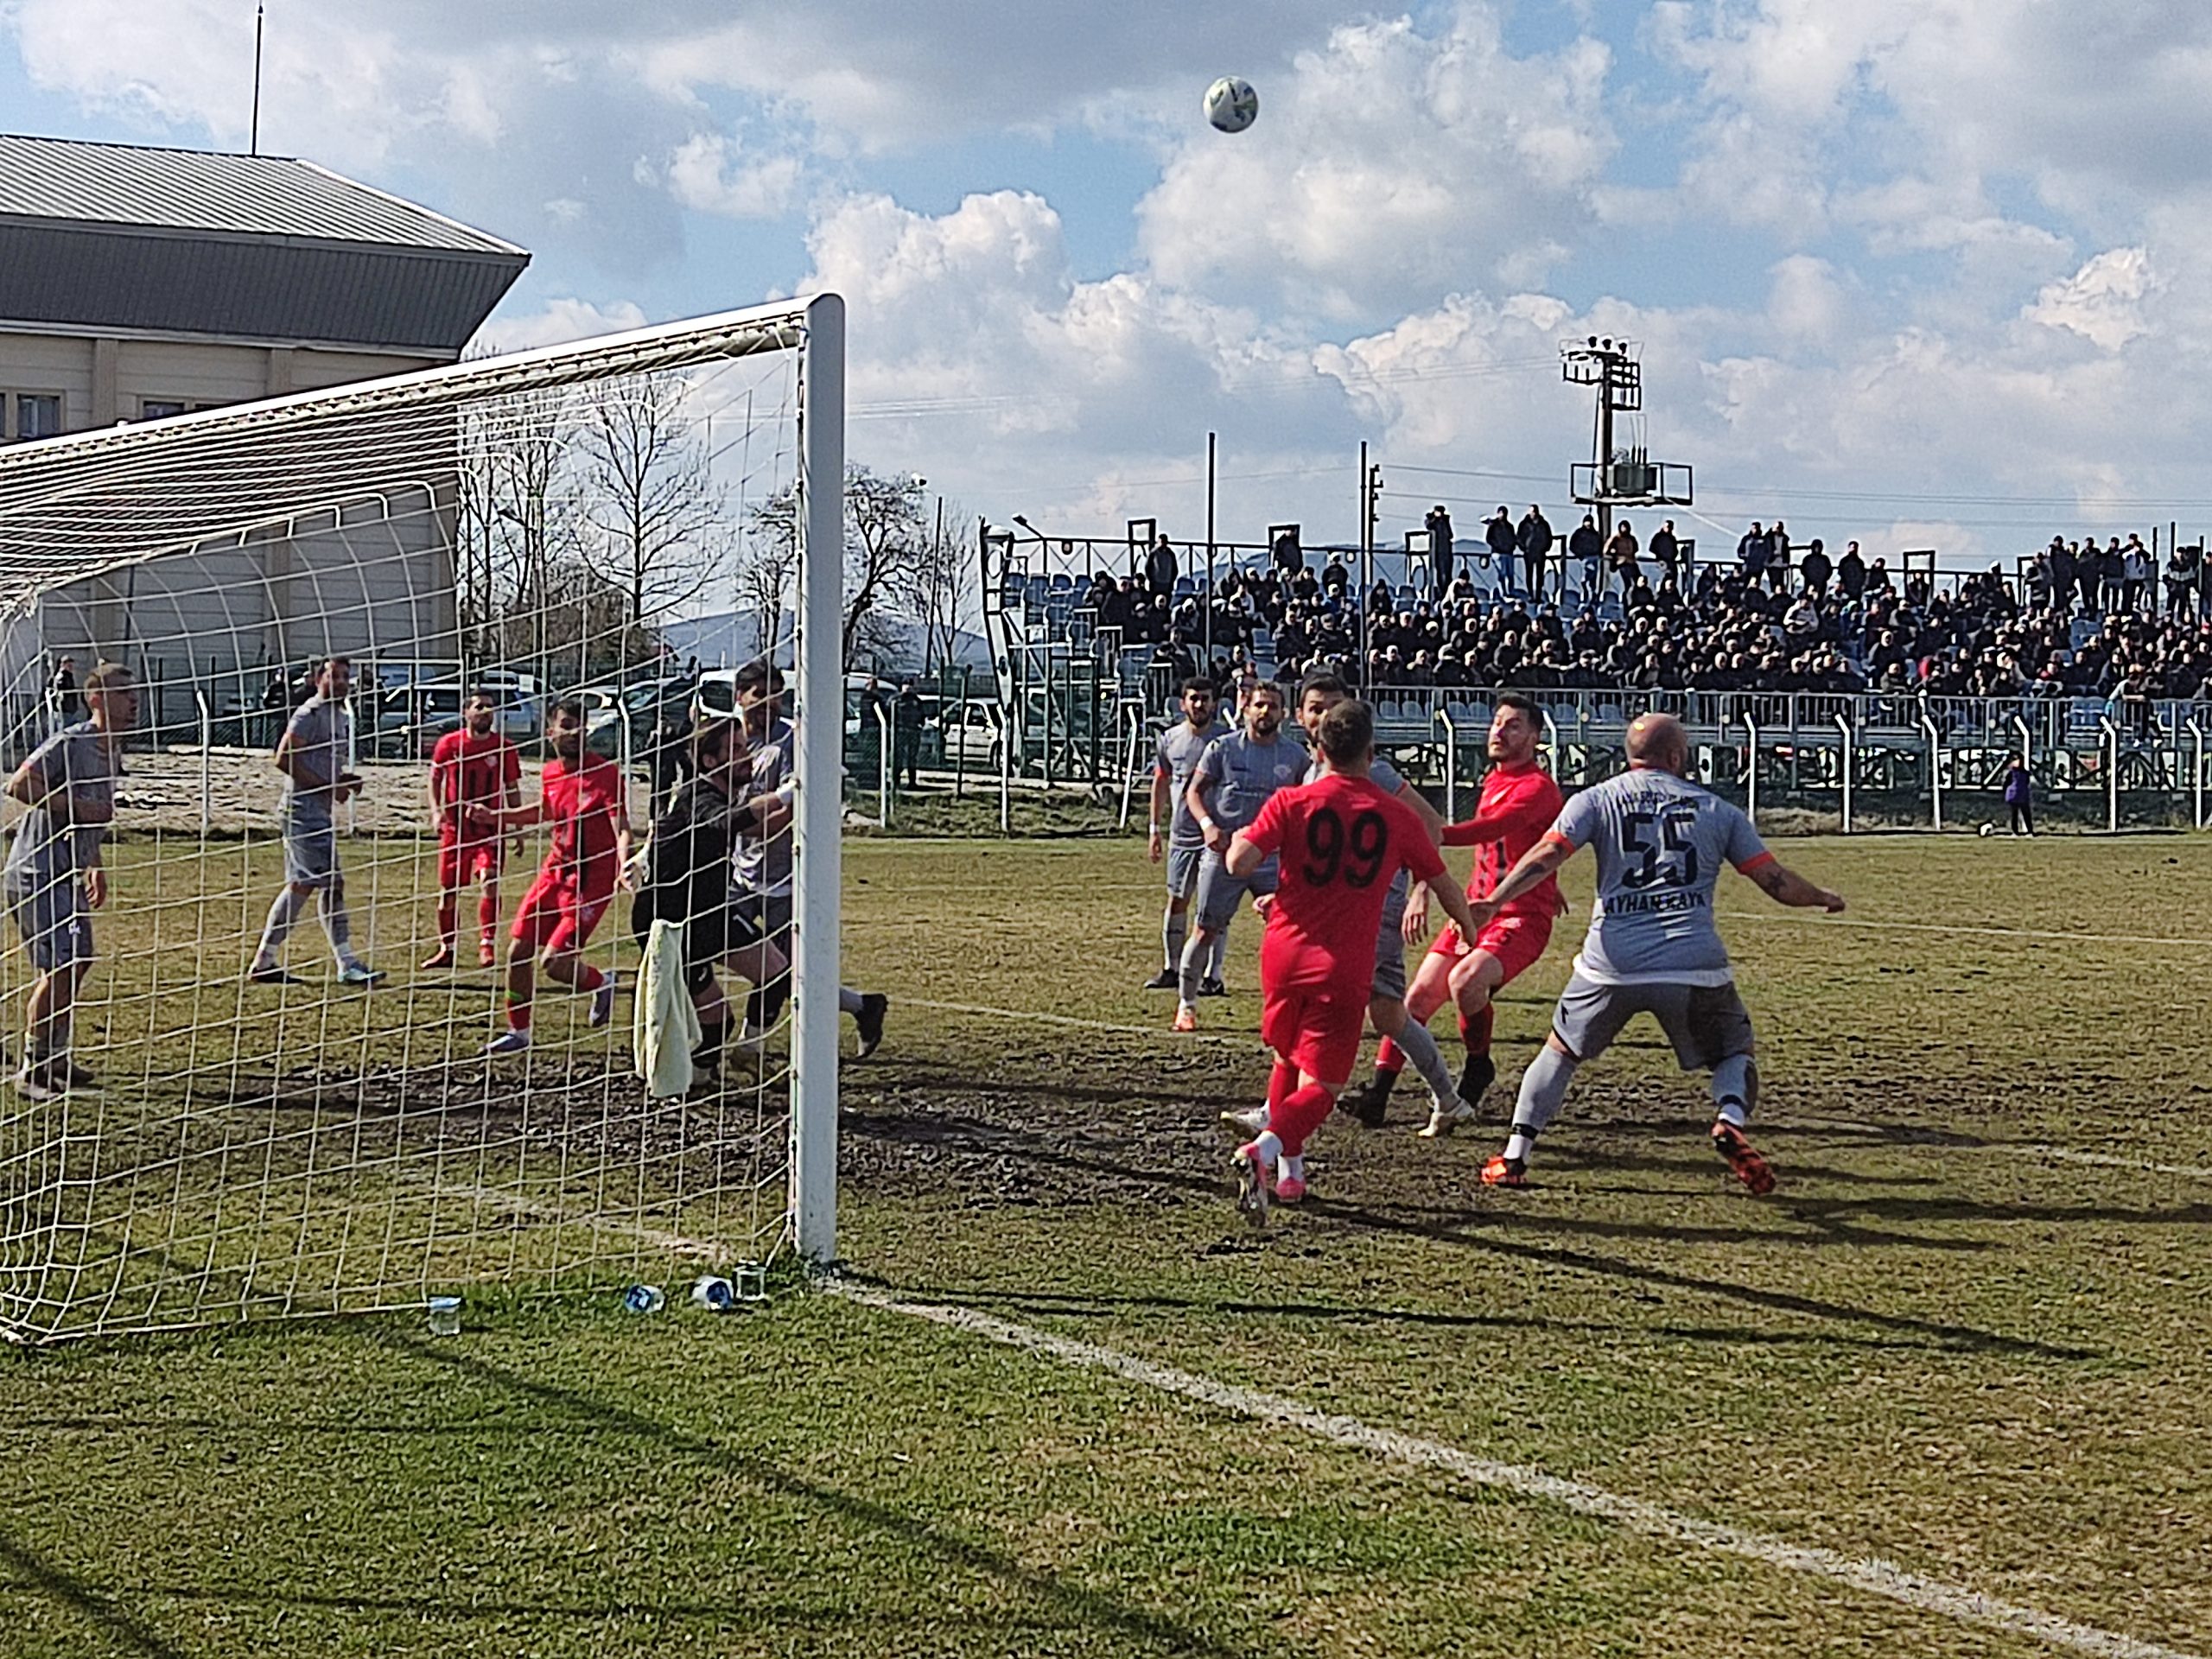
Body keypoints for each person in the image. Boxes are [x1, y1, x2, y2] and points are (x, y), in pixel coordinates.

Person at [1466, 712, 1846, 1192]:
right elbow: (1775, 881)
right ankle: (1729, 1119)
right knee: (1734, 1050)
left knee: (1559, 1052)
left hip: (1611, 962)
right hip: (1693, 963)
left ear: (1630, 755)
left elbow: (1547, 854)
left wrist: (1495, 901)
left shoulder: (1594, 800)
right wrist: (1822, 897)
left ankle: (1514, 1156)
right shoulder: (1717, 809)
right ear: (1677, 757)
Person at [1221, 699, 1483, 1220]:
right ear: (1371, 750)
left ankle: (1291, 1176)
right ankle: (1264, 1152)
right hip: (1340, 964)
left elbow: (1237, 861)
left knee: (1287, 1057)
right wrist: (1468, 928)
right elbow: (1443, 881)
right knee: (1323, 1086)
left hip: (1282, 953)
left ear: (1318, 748)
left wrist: (1240, 840)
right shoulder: (1394, 815)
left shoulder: (1291, 802)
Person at [1344, 693, 1564, 1135]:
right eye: (1496, 723)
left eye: (1513, 725)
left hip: (1518, 916)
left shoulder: (1539, 788)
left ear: (1536, 737)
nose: (1499, 731)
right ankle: (1378, 1094)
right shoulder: (1493, 778)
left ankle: (1478, 1067)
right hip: (1472, 911)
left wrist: (1422, 833)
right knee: (1415, 1000)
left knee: (1466, 981)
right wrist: (1424, 886)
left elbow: (1489, 831)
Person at [728, 659, 889, 1055]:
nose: (768, 703)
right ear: (739, 698)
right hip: (736, 875)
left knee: (777, 966)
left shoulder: (791, 743)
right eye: (759, 694)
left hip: (786, 877)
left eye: (776, 695)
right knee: (722, 946)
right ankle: (863, 1005)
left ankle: (751, 1046)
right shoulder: (728, 742)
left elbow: (789, 811)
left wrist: (736, 825)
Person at [631, 717, 791, 1083]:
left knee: (777, 971)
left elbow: (758, 828)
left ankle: (748, 1052)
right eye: (734, 750)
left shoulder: (720, 795)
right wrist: (784, 794)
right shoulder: (698, 795)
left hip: (708, 913)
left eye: (744, 747)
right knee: (718, 1020)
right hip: (669, 921)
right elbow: (724, 822)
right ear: (709, 761)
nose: (746, 757)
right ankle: (686, 1079)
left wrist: (804, 798)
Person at [3, 662, 133, 1097]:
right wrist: (75, 806)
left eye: (134, 693)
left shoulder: (111, 749)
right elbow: (19, 786)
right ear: (94, 699)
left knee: (78, 959)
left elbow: (92, 816)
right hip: (35, 874)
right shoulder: (71, 741)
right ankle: (32, 1070)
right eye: (121, 693)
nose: (133, 701)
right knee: (59, 966)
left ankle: (55, 1055)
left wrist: (93, 862)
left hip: (67, 878)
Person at [483, 698, 632, 1055]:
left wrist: (625, 863)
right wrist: (496, 817)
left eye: (580, 724)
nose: (574, 731)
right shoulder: (551, 772)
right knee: (517, 951)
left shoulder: (606, 773)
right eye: (566, 724)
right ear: (551, 732)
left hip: (590, 879)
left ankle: (602, 982)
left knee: (553, 964)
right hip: (554, 872)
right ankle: (519, 1032)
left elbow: (622, 826)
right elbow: (546, 811)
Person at [1173, 678, 1303, 1033]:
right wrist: (1207, 826)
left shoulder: (1295, 757)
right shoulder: (1222, 748)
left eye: (1273, 706)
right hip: (1224, 853)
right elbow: (1194, 792)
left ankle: (1287, 1008)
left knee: (1290, 933)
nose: (1265, 712)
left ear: (1284, 713)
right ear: (1246, 708)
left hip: (1272, 858)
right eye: (1259, 705)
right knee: (1204, 929)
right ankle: (1186, 1005)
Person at [250, 656, 381, 987]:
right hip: (301, 811)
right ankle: (346, 963)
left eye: (345, 677)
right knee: (328, 884)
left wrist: (343, 779)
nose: (340, 683)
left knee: (303, 885)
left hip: (316, 812)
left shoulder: (339, 716)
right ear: (317, 679)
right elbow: (283, 758)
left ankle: (265, 960)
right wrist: (329, 786)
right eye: (333, 676)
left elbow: (320, 764)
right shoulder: (309, 714)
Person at [1145, 677, 1232, 995]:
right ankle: (1171, 967)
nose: (1199, 704)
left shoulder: (1226, 740)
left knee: (1214, 906)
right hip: (1182, 834)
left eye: (1205, 699)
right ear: (1183, 703)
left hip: (1216, 836)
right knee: (1178, 900)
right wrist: (1155, 829)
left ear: (1215, 703)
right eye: (1193, 698)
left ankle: (1214, 975)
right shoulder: (1170, 740)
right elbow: (1160, 782)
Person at [423, 690, 523, 969]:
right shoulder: (449, 744)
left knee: (489, 879)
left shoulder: (504, 748)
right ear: (466, 712)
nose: (486, 712)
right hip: (456, 830)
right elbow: (434, 779)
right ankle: (448, 948)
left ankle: (486, 946)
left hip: (490, 829)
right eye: (480, 707)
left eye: (491, 707)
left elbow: (512, 789)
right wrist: (435, 812)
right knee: (448, 891)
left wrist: (516, 827)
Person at [892, 680, 925, 791]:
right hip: (899, 731)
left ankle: (912, 782)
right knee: (898, 757)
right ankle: (896, 780)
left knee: (912, 758)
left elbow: (922, 715)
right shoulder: (895, 700)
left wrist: (919, 725)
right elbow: (888, 713)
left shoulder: (916, 701)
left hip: (913, 731)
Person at [1517, 505, 1554, 601]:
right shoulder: (1524, 524)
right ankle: (1530, 594)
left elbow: (1549, 537)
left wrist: (1545, 548)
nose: (1533, 513)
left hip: (1540, 553)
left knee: (1539, 575)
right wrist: (1524, 548)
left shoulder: (1544, 525)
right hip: (1529, 553)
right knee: (1529, 574)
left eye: (1535, 511)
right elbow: (1519, 537)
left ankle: (1538, 595)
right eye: (1532, 511)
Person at [1568, 513, 1603, 597]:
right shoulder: (1579, 533)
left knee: (1593, 577)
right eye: (1587, 522)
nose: (1588, 524)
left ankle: (1593, 593)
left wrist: (1599, 553)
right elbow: (1572, 545)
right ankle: (1584, 589)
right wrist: (1579, 555)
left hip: (1595, 556)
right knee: (1587, 574)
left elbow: (1601, 544)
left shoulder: (1595, 534)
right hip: (1585, 557)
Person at [2003, 758, 2034, 837]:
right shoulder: (2025, 773)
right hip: (2022, 795)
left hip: (2014, 795)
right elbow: (2027, 782)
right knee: (2024, 814)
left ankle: (2016, 831)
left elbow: (2006, 783)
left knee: (2015, 814)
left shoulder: (2010, 773)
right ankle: (2028, 831)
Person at [46, 656, 79, 723]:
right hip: (64, 710)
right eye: (68, 664)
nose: (71, 667)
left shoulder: (68, 676)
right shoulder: (61, 677)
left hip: (68, 710)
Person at [1147, 533, 1178, 601]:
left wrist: (1171, 581)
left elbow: (1175, 569)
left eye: (1164, 542)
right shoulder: (1153, 554)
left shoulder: (1171, 554)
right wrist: (1151, 580)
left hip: (1167, 583)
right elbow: (1147, 568)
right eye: (1161, 542)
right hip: (1156, 583)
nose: (1162, 544)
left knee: (1166, 601)